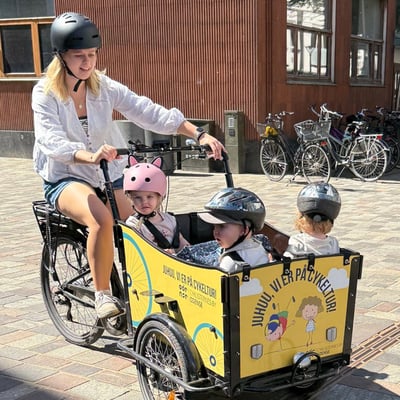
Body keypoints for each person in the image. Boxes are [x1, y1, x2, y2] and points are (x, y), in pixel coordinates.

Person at [31, 12, 225, 319]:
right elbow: (50, 141)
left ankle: (147, 287)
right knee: (101, 220)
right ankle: (102, 295)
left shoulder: (103, 86)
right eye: (79, 56)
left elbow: (145, 110)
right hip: (65, 175)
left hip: (107, 170)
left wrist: (196, 133)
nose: (87, 63)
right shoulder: (45, 94)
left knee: (140, 223)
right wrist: (87, 154)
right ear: (61, 56)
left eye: (92, 55)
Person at [177, 187, 274, 272]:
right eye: (214, 226)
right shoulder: (260, 246)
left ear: (244, 230)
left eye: (222, 226)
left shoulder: (231, 263)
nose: (215, 231)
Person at [124, 156, 189, 253]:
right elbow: (140, 250)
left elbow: (181, 242)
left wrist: (190, 250)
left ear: (160, 197)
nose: (144, 201)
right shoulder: (133, 224)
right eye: (137, 197)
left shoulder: (170, 220)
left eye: (150, 197)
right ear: (130, 199)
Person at [284, 182, 341, 259]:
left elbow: (285, 264)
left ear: (301, 218)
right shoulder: (333, 243)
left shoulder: (297, 241)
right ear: (330, 221)